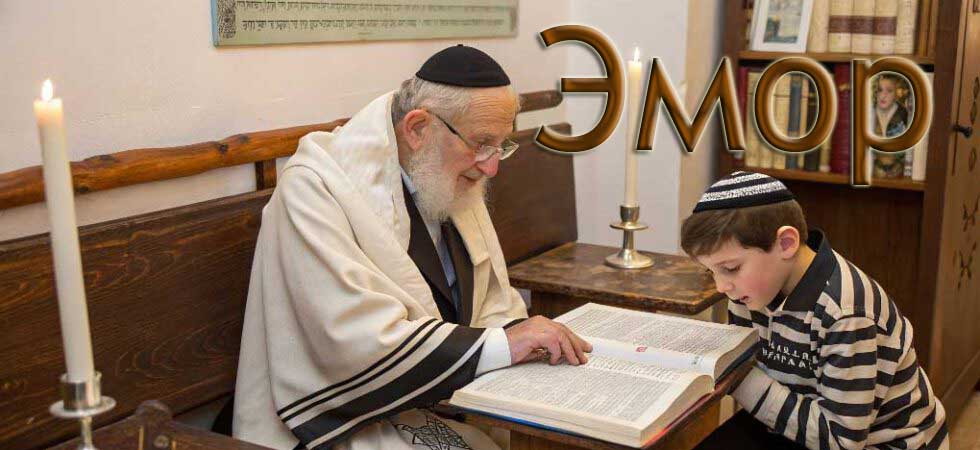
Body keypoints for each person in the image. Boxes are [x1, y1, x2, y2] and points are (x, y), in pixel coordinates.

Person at [232, 45, 592, 450]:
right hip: (343, 420)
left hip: (435, 397)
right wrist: (505, 345)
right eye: (481, 144)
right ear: (418, 128)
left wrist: (522, 337)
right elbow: (351, 347)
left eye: (500, 146)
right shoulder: (316, 189)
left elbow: (489, 301)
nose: (492, 167)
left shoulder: (447, 177)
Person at [681, 172, 948, 450]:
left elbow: (842, 441)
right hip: (801, 425)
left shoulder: (847, 314)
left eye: (731, 268)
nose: (721, 286)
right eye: (711, 271)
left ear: (786, 243)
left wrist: (737, 377)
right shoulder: (750, 291)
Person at [872, 74, 911, 179]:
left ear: (896, 93)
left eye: (889, 91)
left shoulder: (903, 114)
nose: (883, 95)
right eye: (880, 90)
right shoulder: (870, 112)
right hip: (874, 170)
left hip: (897, 171)